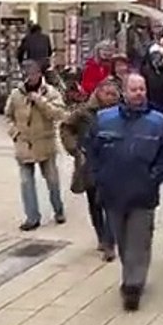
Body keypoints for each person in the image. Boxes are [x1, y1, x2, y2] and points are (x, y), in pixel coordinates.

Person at [87, 73, 163, 310]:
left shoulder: (159, 122)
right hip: (113, 191)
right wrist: (99, 176)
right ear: (124, 92)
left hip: (142, 192)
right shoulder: (104, 119)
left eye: (142, 89)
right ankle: (130, 274)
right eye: (134, 89)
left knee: (139, 240)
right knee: (122, 240)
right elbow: (92, 150)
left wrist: (153, 177)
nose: (139, 94)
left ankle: (133, 286)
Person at [61, 78, 121, 261]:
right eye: (107, 94)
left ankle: (110, 242)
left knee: (111, 203)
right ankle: (101, 236)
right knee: (95, 203)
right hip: (90, 163)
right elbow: (66, 127)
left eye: (114, 94)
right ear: (99, 93)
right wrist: (74, 149)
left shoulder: (122, 111)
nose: (111, 97)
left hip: (114, 163)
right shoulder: (84, 112)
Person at [4, 59, 68, 230]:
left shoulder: (50, 92)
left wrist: (40, 101)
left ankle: (58, 209)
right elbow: (8, 115)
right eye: (26, 74)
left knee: (52, 180)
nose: (29, 77)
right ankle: (32, 217)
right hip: (24, 143)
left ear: (39, 74)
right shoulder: (16, 94)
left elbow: (59, 114)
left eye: (32, 73)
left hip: (45, 143)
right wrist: (14, 132)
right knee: (26, 182)